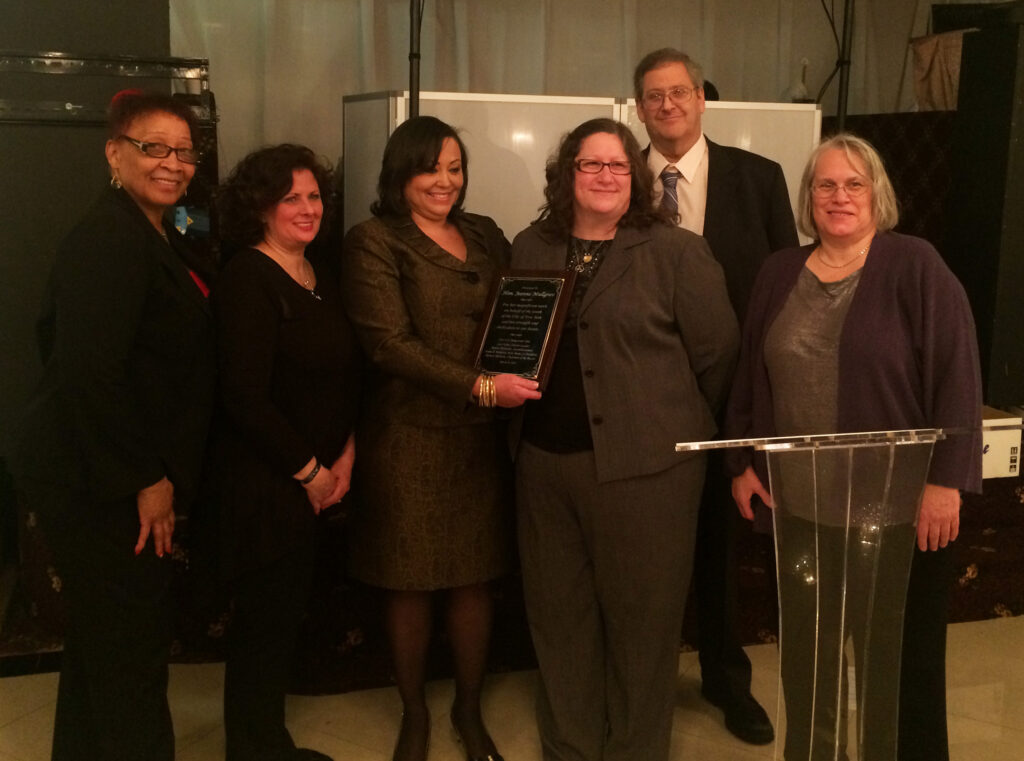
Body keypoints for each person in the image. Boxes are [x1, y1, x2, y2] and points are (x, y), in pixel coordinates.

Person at [725, 133, 982, 761]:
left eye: (853, 184)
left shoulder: (915, 265)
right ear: (809, 198)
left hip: (897, 515)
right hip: (804, 512)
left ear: (877, 195)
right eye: (825, 184)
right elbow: (750, 373)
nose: (839, 196)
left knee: (898, 670)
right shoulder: (779, 269)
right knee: (808, 664)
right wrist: (743, 461)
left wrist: (945, 482)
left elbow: (958, 373)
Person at [511, 117, 739, 761]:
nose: (605, 176)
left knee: (643, 626)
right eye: (590, 165)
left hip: (648, 474)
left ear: (634, 178)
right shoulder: (531, 245)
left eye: (617, 166)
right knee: (559, 622)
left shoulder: (675, 251)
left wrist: (665, 420)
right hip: (544, 467)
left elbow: (719, 353)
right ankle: (570, 747)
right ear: (567, 175)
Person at [11, 90, 216, 761]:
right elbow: (90, 373)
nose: (173, 162)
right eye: (153, 147)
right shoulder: (108, 238)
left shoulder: (154, 229)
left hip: (105, 472)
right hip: (100, 483)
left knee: (101, 648)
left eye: (184, 150)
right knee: (129, 655)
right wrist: (146, 477)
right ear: (114, 153)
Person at [341, 115, 539, 761]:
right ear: (402, 172)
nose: (445, 181)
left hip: (482, 444)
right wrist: (485, 386)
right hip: (409, 439)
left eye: (455, 168)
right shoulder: (374, 240)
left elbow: (524, 307)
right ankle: (414, 713)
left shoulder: (483, 233)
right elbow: (389, 345)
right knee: (411, 581)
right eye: (432, 168)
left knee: (474, 580)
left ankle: (469, 708)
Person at [633, 46, 800, 745]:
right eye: (653, 96)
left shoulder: (758, 178)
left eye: (679, 92)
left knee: (722, 549)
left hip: (732, 398)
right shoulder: (619, 179)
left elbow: (787, 290)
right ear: (639, 108)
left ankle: (728, 682)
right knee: (645, 550)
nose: (667, 106)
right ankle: (642, 688)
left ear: (702, 97)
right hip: (644, 400)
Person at [212, 144, 361, 761]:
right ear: (260, 207)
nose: (307, 209)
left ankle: (267, 743)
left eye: (314, 196)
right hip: (267, 488)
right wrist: (310, 473)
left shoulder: (318, 271)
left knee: (282, 624)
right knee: (261, 631)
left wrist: (346, 457)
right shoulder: (247, 277)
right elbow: (243, 398)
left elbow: (345, 376)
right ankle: (254, 750)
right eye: (290, 198)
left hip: (319, 482)